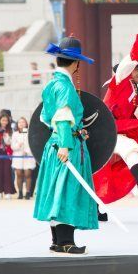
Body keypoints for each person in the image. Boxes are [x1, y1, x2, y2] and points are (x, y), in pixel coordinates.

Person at [33, 36, 98, 254]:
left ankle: (57, 242)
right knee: (67, 192)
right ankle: (67, 243)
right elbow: (61, 117)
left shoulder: (51, 85)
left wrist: (74, 130)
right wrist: (66, 143)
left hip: (55, 144)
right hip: (65, 147)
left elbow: (44, 117)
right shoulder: (65, 87)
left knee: (56, 192)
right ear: (76, 63)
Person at [93, 21, 138, 205]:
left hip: (117, 130)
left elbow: (136, 114)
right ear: (131, 70)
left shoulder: (136, 90)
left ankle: (97, 205)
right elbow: (132, 57)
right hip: (105, 129)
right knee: (126, 148)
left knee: (107, 170)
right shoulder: (120, 80)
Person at [11, 117, 35, 200]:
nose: (21, 124)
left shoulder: (29, 133)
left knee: (28, 174)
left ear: (26, 123)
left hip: (28, 156)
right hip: (18, 156)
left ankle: (28, 192)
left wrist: (27, 151)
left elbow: (32, 144)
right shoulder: (15, 134)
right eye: (19, 122)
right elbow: (12, 146)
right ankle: (20, 192)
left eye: (23, 122)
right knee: (19, 174)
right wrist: (18, 145)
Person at [0, 114, 15, 199]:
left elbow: (10, 143)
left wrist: (6, 137)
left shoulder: (10, 130)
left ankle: (8, 192)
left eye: (6, 120)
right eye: (3, 120)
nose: (4, 122)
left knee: (7, 172)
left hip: (7, 153)